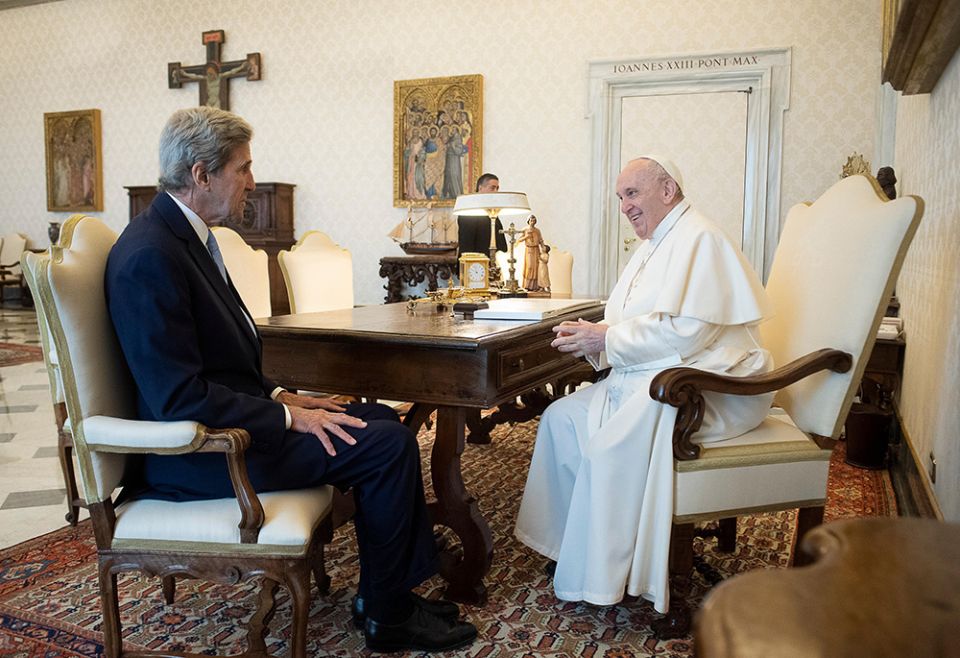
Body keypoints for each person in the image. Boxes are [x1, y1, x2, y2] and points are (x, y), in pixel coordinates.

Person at [104, 106, 477, 653]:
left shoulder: (183, 238)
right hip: (199, 457)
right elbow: (176, 397)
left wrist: (283, 395)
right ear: (202, 174)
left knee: (376, 417)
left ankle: (384, 593)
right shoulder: (149, 256)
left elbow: (217, 365)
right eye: (243, 168)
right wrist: (285, 417)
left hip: (227, 430)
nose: (252, 182)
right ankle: (389, 615)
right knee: (386, 445)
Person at [514, 156, 773, 614]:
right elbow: (628, 320)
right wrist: (593, 338)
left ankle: (615, 572)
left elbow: (690, 332)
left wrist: (606, 338)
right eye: (620, 197)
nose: (624, 206)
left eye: (632, 193)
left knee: (604, 446)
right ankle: (574, 549)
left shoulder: (701, 237)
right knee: (559, 418)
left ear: (667, 189)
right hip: (656, 374)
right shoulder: (655, 243)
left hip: (708, 385)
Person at [457, 173, 507, 256]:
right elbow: (466, 245)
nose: (496, 192)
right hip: (476, 263)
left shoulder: (492, 211)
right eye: (492, 188)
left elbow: (500, 240)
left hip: (494, 262)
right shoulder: (468, 211)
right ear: (480, 188)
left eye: (497, 188)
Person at [521, 215, 545, 291]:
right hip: (529, 250)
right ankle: (527, 285)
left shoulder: (537, 230)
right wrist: (526, 237)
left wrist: (543, 246)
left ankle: (535, 286)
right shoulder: (525, 229)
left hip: (536, 250)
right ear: (528, 221)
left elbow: (541, 240)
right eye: (531, 220)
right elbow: (519, 240)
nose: (532, 222)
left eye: (534, 220)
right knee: (529, 266)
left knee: (536, 267)